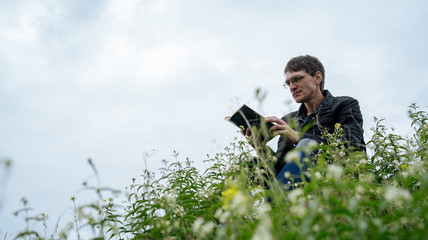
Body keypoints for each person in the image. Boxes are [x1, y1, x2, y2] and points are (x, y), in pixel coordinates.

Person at [245, 55, 365, 188]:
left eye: (297, 79)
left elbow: (351, 147)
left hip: (336, 180)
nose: (292, 87)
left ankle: (277, 205)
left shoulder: (345, 104)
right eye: (288, 83)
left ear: (317, 78)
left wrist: (299, 138)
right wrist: (261, 149)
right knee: (249, 164)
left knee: (306, 144)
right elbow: (281, 170)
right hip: (295, 185)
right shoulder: (288, 121)